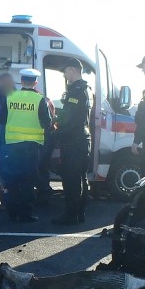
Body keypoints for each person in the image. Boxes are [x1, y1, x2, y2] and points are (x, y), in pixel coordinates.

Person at [0, 69, 51, 222]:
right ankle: (25, 213)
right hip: (31, 146)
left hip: (12, 144)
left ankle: (12, 211)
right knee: (28, 180)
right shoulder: (40, 100)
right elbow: (47, 122)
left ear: (21, 82)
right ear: (35, 83)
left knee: (13, 178)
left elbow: (2, 119)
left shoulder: (10, 97)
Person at [52, 58, 92, 225]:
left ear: (74, 70)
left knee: (71, 180)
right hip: (82, 140)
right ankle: (80, 213)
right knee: (81, 178)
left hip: (74, 142)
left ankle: (70, 215)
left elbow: (72, 119)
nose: (65, 74)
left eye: (66, 70)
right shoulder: (85, 88)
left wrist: (57, 133)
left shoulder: (76, 91)